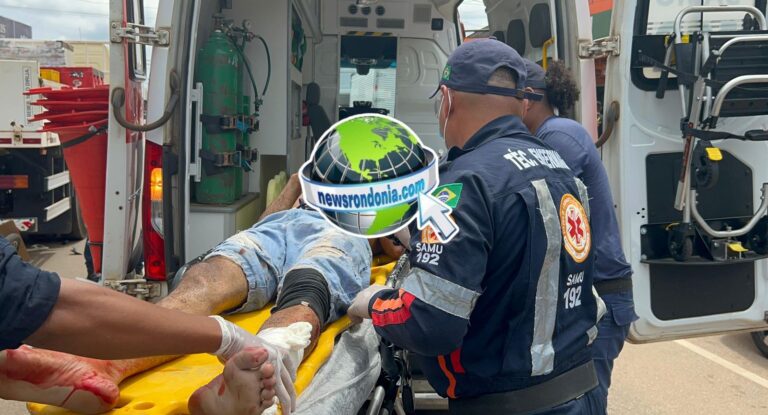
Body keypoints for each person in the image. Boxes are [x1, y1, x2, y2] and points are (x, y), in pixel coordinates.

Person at [348, 39, 604, 414]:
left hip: (506, 404)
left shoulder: (462, 183)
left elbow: (430, 323)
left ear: (447, 100)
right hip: (581, 393)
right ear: (521, 103)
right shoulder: (557, 167)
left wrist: (375, 305)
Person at [0, 174, 392, 415]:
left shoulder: (376, 203)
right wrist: (294, 185)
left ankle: (244, 385)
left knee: (308, 287)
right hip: (274, 231)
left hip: (340, 237)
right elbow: (265, 223)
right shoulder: (304, 189)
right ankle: (105, 366)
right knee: (206, 280)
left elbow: (397, 247)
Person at [521, 59, 637, 412]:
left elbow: (540, 206)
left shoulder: (558, 136)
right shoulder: (552, 134)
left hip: (600, 298)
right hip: (589, 298)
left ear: (526, 99)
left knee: (586, 402)